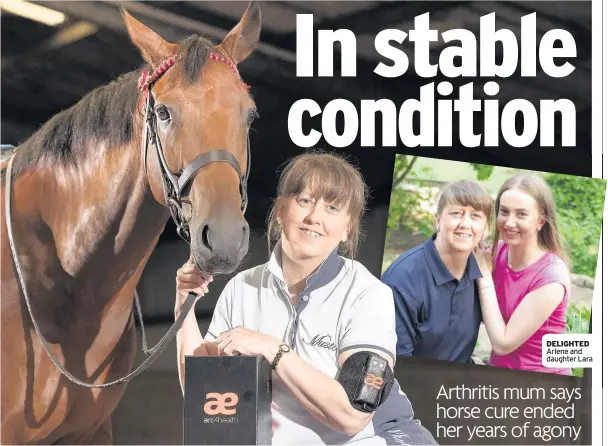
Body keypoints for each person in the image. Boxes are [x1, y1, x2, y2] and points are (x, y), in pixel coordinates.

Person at [174, 152, 437, 445]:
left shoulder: (368, 294)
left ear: (347, 229)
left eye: (333, 208)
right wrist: (185, 304)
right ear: (280, 210)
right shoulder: (241, 289)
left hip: (375, 437)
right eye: (305, 201)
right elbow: (207, 393)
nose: (315, 218)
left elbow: (352, 414)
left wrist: (271, 348)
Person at [381, 180, 493, 363]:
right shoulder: (403, 279)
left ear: (485, 227)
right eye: (457, 213)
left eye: (475, 216)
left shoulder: (483, 273)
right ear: (438, 220)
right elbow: (397, 365)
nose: (465, 224)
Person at [474, 174, 571, 375]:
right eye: (504, 211)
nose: (509, 223)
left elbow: (503, 343)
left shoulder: (550, 276)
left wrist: (483, 274)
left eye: (521, 214)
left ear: (541, 221)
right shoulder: (495, 253)